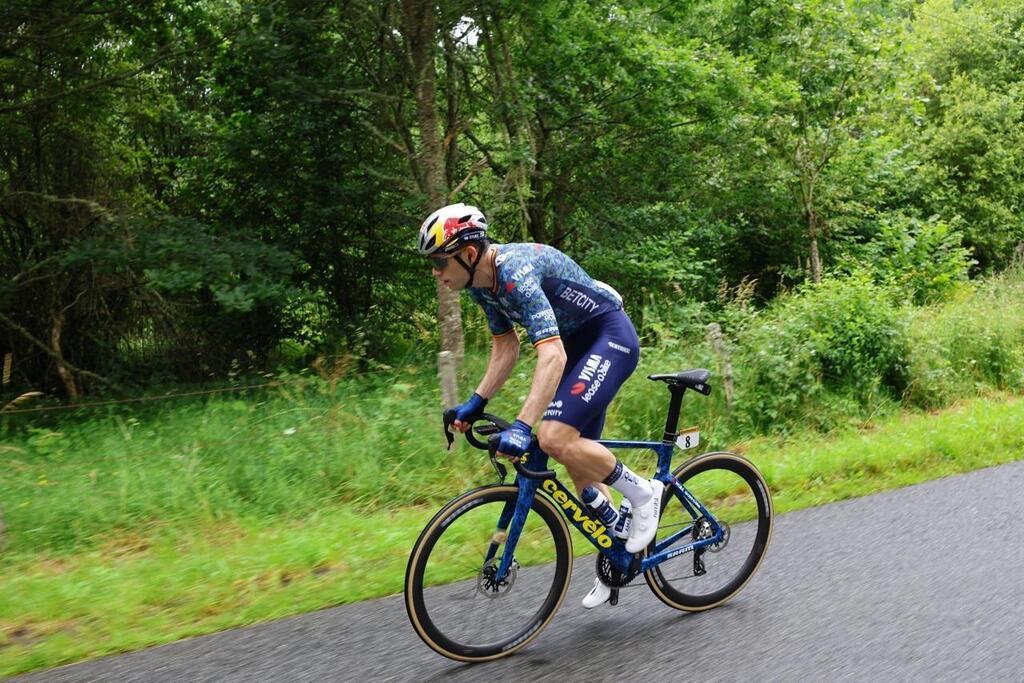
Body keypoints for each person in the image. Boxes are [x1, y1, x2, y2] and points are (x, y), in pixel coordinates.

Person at [418, 202, 663, 609]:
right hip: (579, 349)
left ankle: (644, 495)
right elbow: (506, 346)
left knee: (551, 436)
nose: (437, 273)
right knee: (577, 463)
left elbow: (551, 355)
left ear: (469, 253)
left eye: (441, 262)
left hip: (608, 335)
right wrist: (476, 402)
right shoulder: (481, 284)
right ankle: (618, 555)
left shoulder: (514, 271)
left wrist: (521, 424)